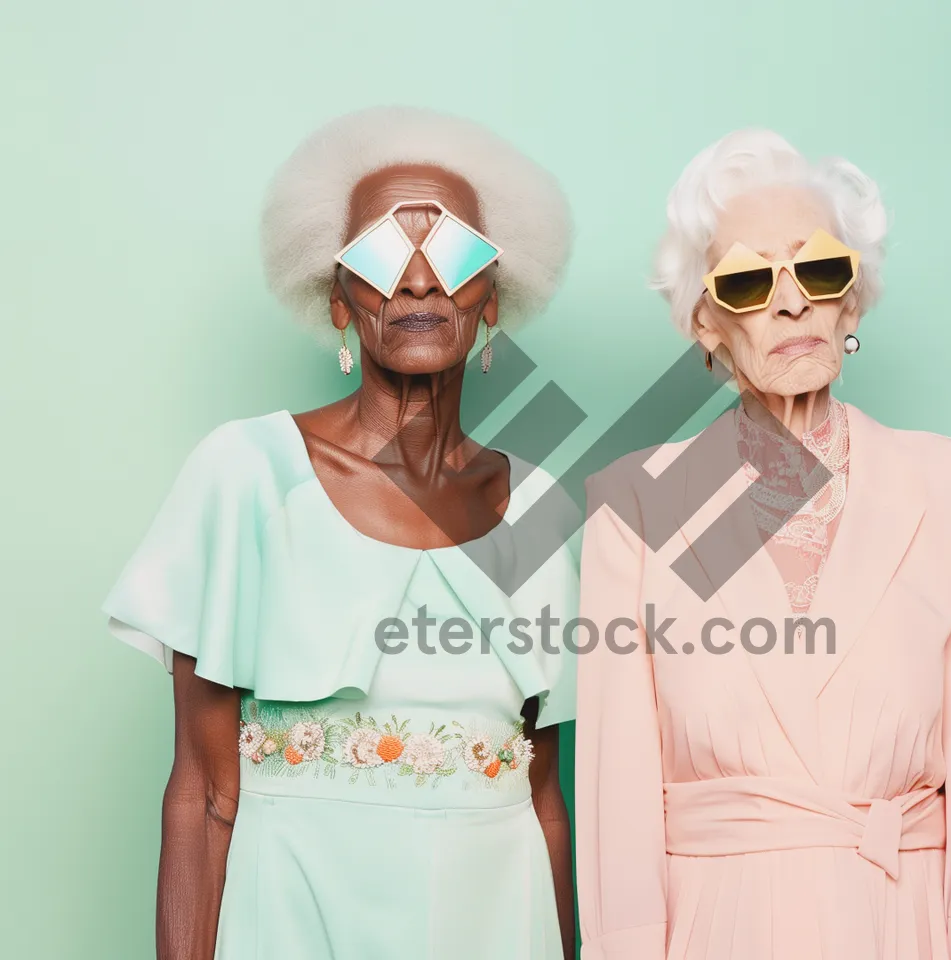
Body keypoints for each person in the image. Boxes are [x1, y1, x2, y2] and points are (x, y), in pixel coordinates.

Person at [102, 106, 578, 960]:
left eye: (456, 254)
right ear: (337, 299)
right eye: (383, 256)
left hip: (497, 914)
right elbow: (204, 792)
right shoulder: (245, 474)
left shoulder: (540, 506)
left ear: (493, 300)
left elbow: (546, 793)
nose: (421, 282)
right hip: (292, 907)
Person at [575, 129, 951, 960]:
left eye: (818, 270)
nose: (790, 302)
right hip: (717, 929)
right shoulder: (641, 509)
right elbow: (617, 800)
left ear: (850, 303)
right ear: (706, 325)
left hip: (900, 926)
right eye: (750, 281)